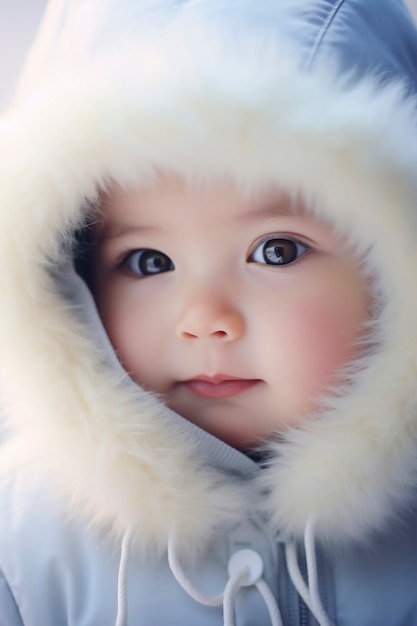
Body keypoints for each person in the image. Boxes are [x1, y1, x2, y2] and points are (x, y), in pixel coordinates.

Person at [0, 0, 416, 624]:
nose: (203, 319)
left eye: (275, 251)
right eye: (147, 262)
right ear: (68, 284)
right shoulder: (26, 544)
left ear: (393, 272)